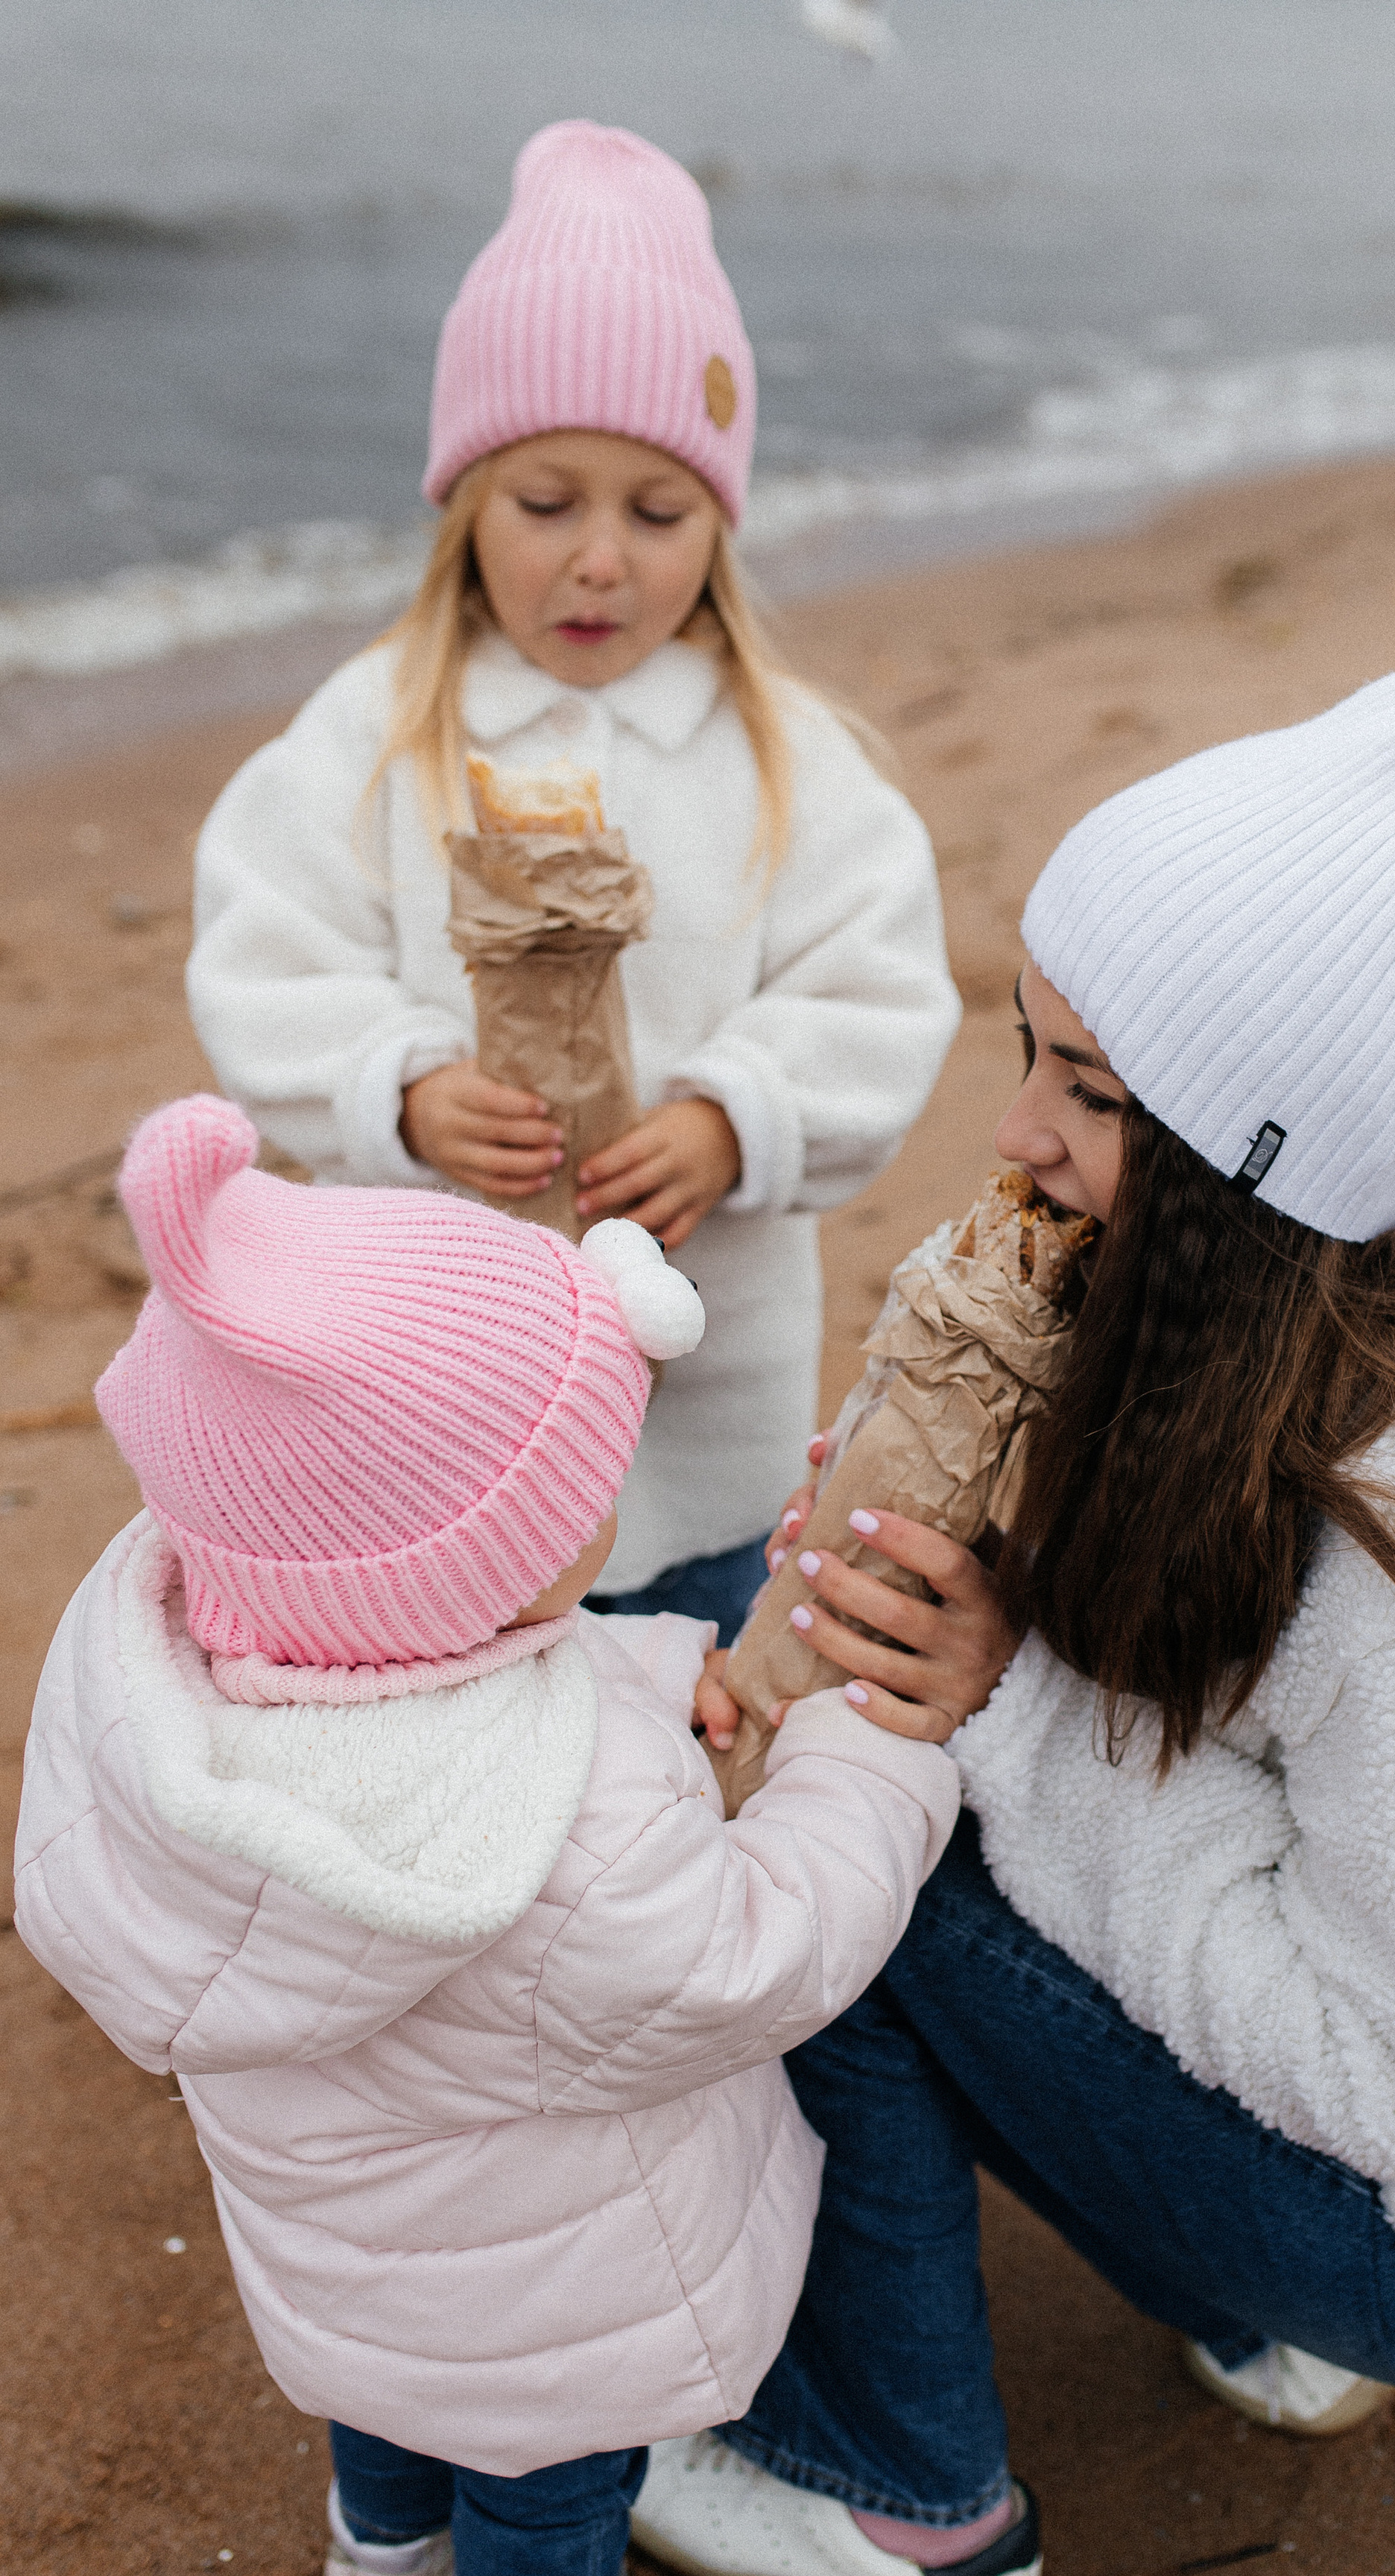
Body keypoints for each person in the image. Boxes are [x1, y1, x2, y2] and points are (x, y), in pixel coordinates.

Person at [633, 643, 1395, 2576]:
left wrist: (994, 1704)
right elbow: (1241, 1684)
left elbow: (1392, 2080)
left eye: (1091, 1094)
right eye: (1032, 1050)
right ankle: (1253, 2312)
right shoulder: (1310, 1264)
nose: (1014, 1131)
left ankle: (903, 2494)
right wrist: (965, 1535)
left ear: (1239, 1164)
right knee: (817, 1676)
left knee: (851, 1837)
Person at [12, 1096, 958, 2576]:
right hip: (548, 2309)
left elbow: (495, 1671)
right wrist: (870, 1761)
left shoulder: (170, 1678)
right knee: (544, 2486)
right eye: (580, 1499)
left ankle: (381, 2570)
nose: (605, 1510)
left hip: (341, 2261)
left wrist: (649, 1672)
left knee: (387, 2399)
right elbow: (758, 1953)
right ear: (484, 1573)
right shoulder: (567, 1831)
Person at [186, 119, 959, 1645]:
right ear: (467, 501)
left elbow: (876, 986)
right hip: (429, 1384)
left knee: (684, 1677)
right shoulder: (377, 730)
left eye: (657, 513)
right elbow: (267, 952)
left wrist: (736, 1117)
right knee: (444, 1672)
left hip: (701, 1391)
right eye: (547, 504)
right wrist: (399, 1089)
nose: (601, 559)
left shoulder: (781, 756)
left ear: (717, 524)